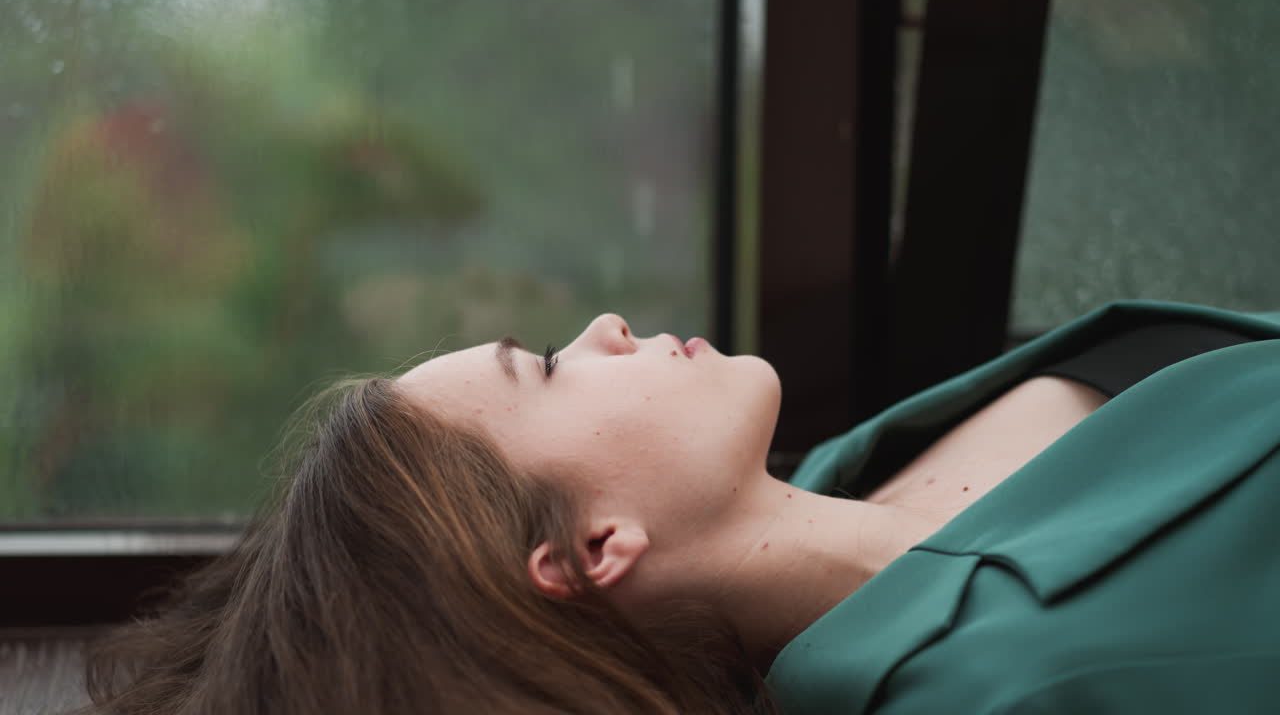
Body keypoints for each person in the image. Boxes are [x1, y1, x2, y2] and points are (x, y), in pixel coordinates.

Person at [81, 300, 1280, 715]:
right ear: (594, 547)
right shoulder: (1005, 688)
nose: (604, 329)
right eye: (547, 366)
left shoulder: (844, 472)